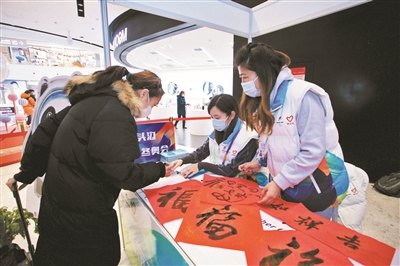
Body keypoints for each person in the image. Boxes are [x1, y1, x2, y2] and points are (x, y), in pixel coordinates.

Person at [6, 66, 174, 265]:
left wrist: (26, 173)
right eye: (153, 104)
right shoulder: (115, 114)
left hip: (56, 207)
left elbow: (44, 134)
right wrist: (160, 169)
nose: (150, 111)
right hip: (84, 218)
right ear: (144, 93)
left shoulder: (90, 101)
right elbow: (125, 175)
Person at [236, 42, 349, 221]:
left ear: (263, 72)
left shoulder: (303, 96)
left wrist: (279, 182)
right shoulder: (265, 101)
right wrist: (260, 162)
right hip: (288, 186)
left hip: (318, 187)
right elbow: (273, 141)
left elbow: (312, 152)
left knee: (317, 242)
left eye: (245, 77)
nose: (243, 84)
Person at [168, 94, 259, 179]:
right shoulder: (218, 131)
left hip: (240, 185)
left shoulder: (248, 137)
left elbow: (232, 171)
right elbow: (201, 152)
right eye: (211, 117)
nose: (214, 121)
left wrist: (201, 165)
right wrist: (182, 161)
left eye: (217, 117)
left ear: (231, 115)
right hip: (217, 180)